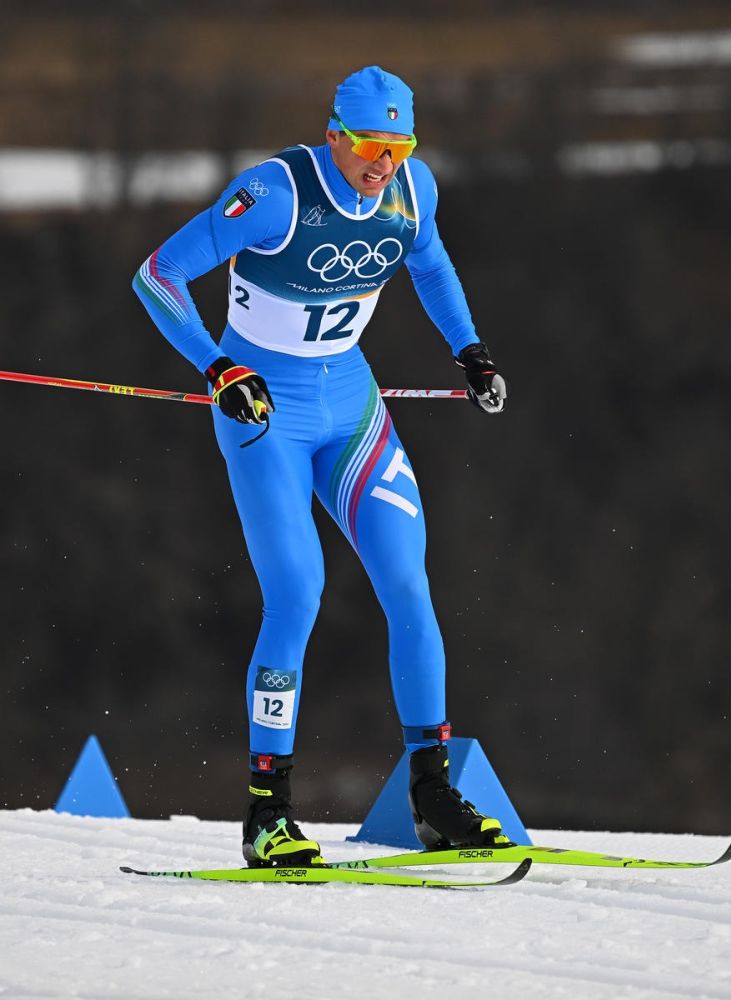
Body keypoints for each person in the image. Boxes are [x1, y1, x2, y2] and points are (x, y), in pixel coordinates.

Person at [133, 65, 508, 867]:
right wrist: (217, 368)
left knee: (407, 583)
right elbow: (157, 274)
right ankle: (266, 814)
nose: (384, 163)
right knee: (297, 594)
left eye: (400, 146)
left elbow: (430, 265)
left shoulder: (413, 192)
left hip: (352, 408)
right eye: (370, 145)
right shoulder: (274, 194)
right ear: (335, 135)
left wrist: (470, 352)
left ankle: (432, 793)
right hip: (266, 411)